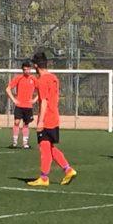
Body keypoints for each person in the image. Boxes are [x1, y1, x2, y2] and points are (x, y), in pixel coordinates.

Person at [27, 52, 77, 187]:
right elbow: (53, 96)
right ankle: (68, 170)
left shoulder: (43, 80)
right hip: (54, 116)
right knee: (50, 147)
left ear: (36, 65)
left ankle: (44, 178)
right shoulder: (54, 78)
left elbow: (43, 101)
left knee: (44, 148)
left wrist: (41, 121)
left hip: (47, 118)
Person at [6, 61, 38, 149]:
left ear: (30, 69)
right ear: (22, 70)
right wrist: (14, 100)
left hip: (28, 106)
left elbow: (41, 90)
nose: (26, 71)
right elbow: (8, 89)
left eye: (28, 69)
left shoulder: (34, 79)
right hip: (19, 106)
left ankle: (25, 143)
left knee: (26, 124)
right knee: (16, 122)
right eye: (24, 69)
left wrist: (35, 99)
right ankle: (14, 143)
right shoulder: (18, 78)